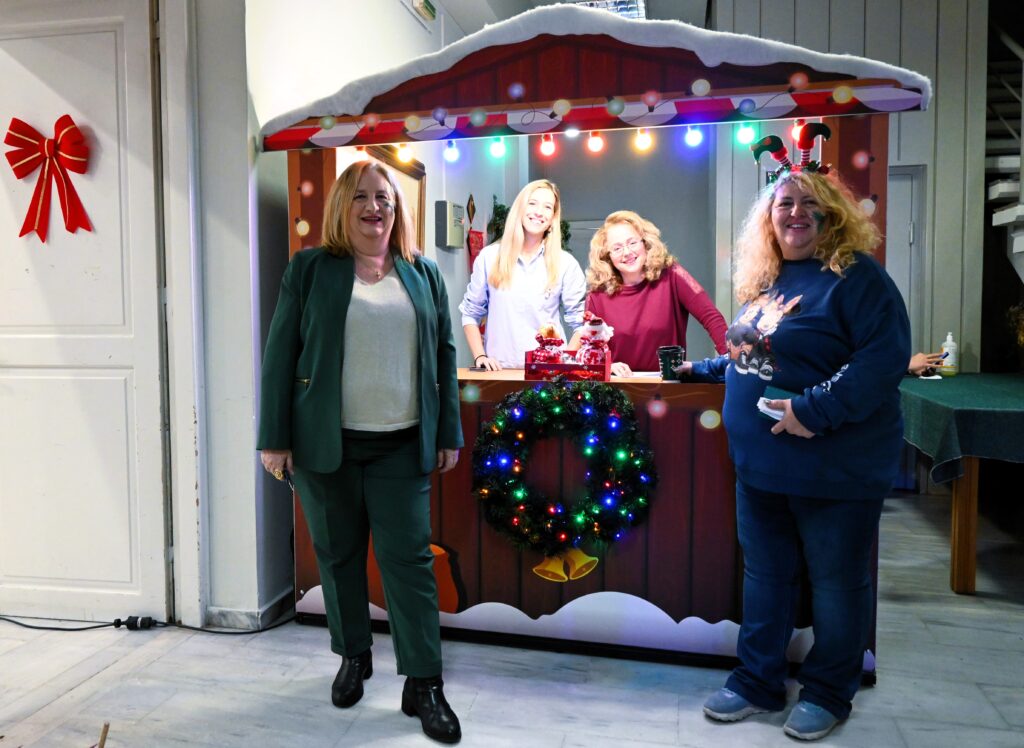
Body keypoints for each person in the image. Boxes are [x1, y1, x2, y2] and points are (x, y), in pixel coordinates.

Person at [680, 167, 910, 741]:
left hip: (835, 467)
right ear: (769, 217)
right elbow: (757, 355)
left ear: (833, 215)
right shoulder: (771, 279)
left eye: (809, 203)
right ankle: (757, 681)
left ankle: (829, 692)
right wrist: (702, 368)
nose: (795, 212)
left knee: (836, 584)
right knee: (766, 577)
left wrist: (814, 410)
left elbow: (881, 361)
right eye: (784, 203)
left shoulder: (857, 277)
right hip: (761, 468)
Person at [257, 160, 464, 744]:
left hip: (402, 443)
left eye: (385, 198)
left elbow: (445, 354)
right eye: (362, 197)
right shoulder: (310, 269)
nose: (375, 208)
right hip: (327, 443)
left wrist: (448, 432)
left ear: (398, 210)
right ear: (342, 206)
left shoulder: (422, 273)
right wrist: (274, 438)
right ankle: (353, 656)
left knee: (410, 563)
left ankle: (424, 682)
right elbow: (280, 354)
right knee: (338, 556)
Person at [579, 210, 728, 376]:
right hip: (618, 386)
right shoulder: (597, 295)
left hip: (667, 384)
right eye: (617, 248)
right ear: (607, 256)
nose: (627, 252)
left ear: (646, 243)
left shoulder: (672, 275)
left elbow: (711, 317)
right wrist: (607, 366)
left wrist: (731, 361)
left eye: (632, 243)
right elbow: (588, 350)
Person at [459, 179, 586, 370]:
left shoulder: (566, 263)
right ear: (520, 208)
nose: (539, 212)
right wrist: (480, 356)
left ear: (552, 218)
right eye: (532, 203)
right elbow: (470, 314)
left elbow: (581, 324)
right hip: (499, 373)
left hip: (548, 376)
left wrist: (564, 364)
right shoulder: (489, 257)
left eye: (547, 207)